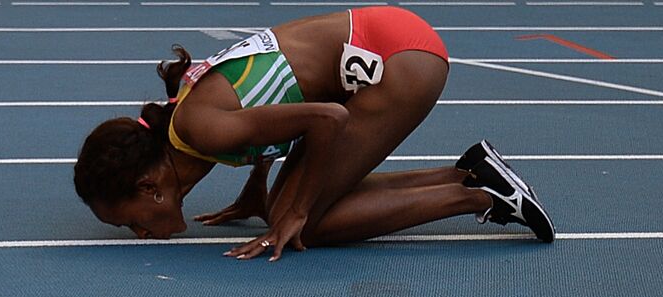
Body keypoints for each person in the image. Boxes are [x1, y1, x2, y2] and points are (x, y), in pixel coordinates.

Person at [73, 7, 554, 261]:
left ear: (148, 188)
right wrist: (257, 193)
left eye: (128, 222)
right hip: (382, 41)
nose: (138, 232)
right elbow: (264, 102)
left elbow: (328, 119)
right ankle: (469, 174)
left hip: (400, 60)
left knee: (308, 224)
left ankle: (482, 198)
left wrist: (297, 209)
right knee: (285, 210)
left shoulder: (201, 130)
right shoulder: (188, 128)